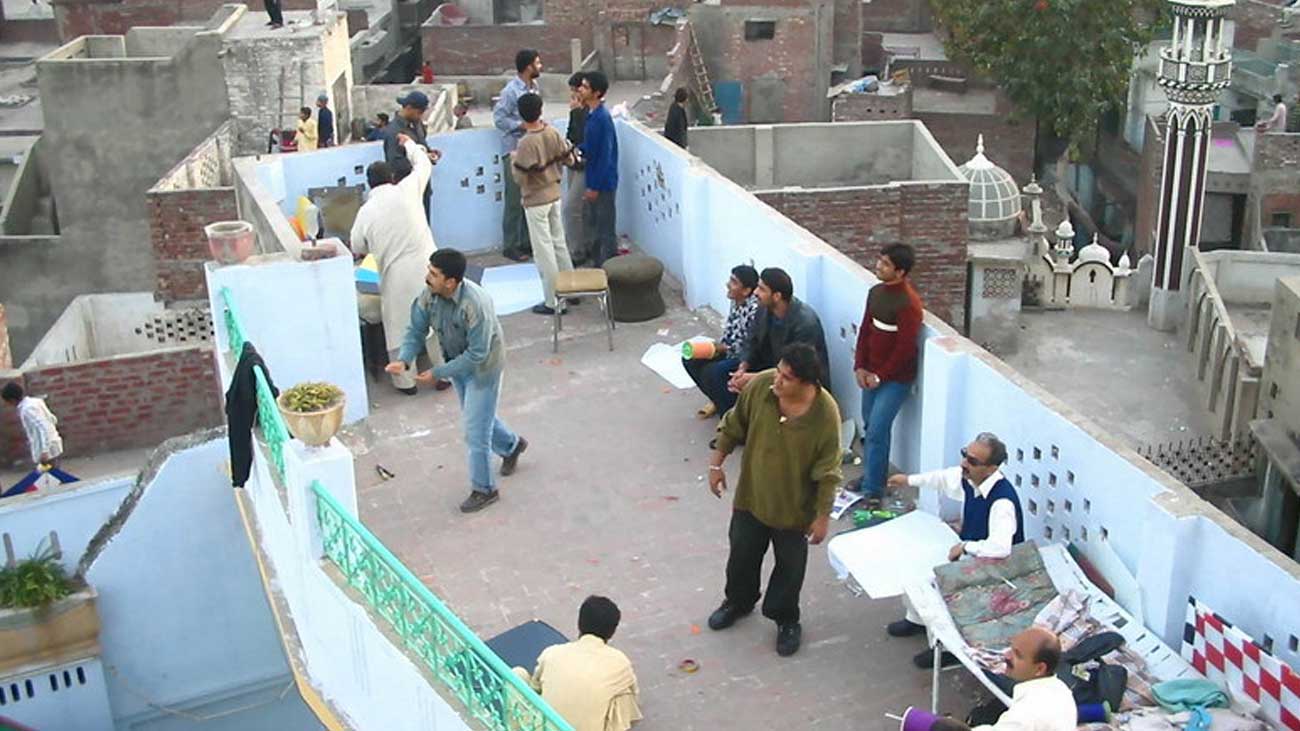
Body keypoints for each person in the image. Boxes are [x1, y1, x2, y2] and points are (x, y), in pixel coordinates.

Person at [705, 343, 843, 657]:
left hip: (795, 509)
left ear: (807, 383)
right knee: (741, 555)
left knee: (790, 568)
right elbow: (733, 424)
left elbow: (828, 472)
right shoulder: (762, 388)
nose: (776, 381)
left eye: (786, 378)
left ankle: (786, 619)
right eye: (778, 372)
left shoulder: (825, 414)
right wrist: (715, 466)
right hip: (752, 497)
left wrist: (822, 517)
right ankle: (738, 602)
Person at [386, 249, 528, 513]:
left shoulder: (476, 305)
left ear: (451, 282)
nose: (427, 278)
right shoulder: (429, 295)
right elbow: (416, 329)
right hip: (456, 363)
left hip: (483, 368)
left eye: (433, 274)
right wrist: (404, 360)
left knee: (475, 431)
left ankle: (485, 489)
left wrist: (438, 372)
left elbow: (477, 354)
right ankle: (511, 446)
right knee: (478, 417)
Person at [884, 431, 1026, 669]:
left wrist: (966, 546)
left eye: (972, 461)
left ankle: (947, 649)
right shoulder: (970, 479)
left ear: (991, 469)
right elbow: (942, 478)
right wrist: (908, 480)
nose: (964, 464)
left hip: (996, 568)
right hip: (971, 555)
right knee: (911, 564)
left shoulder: (1002, 502)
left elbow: (1000, 548)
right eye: (965, 455)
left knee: (935, 589)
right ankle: (916, 619)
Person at [353, 133, 449, 395]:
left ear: (369, 184)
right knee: (436, 326)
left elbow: (357, 245)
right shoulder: (408, 189)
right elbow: (423, 163)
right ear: (393, 178)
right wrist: (408, 144)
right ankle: (444, 375)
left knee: (399, 332)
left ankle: (406, 383)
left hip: (395, 278)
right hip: (430, 270)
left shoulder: (366, 212)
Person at [852, 243, 923, 504]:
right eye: (879, 261)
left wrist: (880, 376)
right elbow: (865, 331)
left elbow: (905, 348)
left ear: (900, 272)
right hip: (870, 372)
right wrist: (860, 366)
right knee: (870, 426)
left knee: (878, 429)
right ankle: (872, 476)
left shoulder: (908, 304)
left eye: (885, 264)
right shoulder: (875, 293)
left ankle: (873, 489)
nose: (878, 267)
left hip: (895, 379)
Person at [513, 596, 643, 731]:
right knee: (623, 695)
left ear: (579, 623)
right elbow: (634, 696)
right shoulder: (620, 663)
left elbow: (535, 688)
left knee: (518, 673)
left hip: (542, 727)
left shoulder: (552, 653)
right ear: (612, 632)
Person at [720, 267, 830, 416]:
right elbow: (751, 341)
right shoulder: (764, 309)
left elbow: (795, 369)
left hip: (795, 380)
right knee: (717, 375)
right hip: (771, 367)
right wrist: (743, 367)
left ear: (777, 296)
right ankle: (737, 421)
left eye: (761, 289)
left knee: (758, 391)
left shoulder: (805, 323)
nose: (755, 293)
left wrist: (754, 379)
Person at [511, 93, 577, 316]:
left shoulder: (526, 143)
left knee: (544, 252)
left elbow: (520, 178)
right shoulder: (552, 132)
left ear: (521, 115)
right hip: (554, 194)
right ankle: (572, 290)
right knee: (559, 243)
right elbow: (569, 158)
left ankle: (554, 301)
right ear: (540, 110)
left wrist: (514, 160)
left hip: (535, 200)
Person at [934, 628, 1074, 731]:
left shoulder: (1027, 715)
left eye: (1017, 655)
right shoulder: (1060, 690)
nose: (1006, 656)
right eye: (1011, 649)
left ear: (1039, 669)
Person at [683, 265, 760, 418]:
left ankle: (731, 416)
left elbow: (749, 346)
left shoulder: (754, 310)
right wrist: (714, 348)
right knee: (690, 358)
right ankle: (717, 401)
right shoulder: (736, 300)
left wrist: (722, 348)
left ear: (746, 290)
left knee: (713, 372)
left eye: (734, 282)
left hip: (745, 358)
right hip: (728, 349)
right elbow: (730, 331)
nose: (728, 284)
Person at [494, 49, 543, 261]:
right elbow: (499, 119)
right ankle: (511, 245)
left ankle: (526, 242)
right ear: (528, 67)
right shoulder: (510, 92)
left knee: (529, 197)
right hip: (514, 150)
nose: (540, 67)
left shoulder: (535, 88)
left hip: (531, 149)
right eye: (537, 63)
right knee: (514, 200)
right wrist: (520, 125)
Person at [578, 71, 619, 266]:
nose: (580, 90)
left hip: (603, 183)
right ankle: (598, 264)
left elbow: (604, 156)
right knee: (594, 225)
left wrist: (594, 186)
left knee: (605, 229)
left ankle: (608, 269)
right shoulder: (592, 115)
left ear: (596, 93)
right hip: (595, 179)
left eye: (585, 87)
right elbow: (592, 147)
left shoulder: (602, 118)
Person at [384, 91, 436, 218]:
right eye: (419, 112)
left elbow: (422, 145)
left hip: (423, 188)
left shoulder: (417, 124)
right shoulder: (394, 132)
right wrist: (421, 160)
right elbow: (395, 163)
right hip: (406, 191)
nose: (421, 116)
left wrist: (430, 154)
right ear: (408, 108)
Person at [2, 382, 64, 469]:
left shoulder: (27, 410)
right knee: (53, 473)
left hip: (46, 451)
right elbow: (52, 419)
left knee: (50, 474)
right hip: (53, 443)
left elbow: (43, 427)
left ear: (12, 400)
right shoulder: (36, 402)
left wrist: (44, 451)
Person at [563, 72, 590, 266]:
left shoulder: (591, 113)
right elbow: (571, 135)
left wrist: (578, 112)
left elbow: (584, 138)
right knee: (577, 208)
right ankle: (579, 245)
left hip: (585, 164)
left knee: (571, 207)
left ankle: (577, 251)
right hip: (573, 162)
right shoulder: (576, 111)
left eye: (577, 90)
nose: (574, 95)